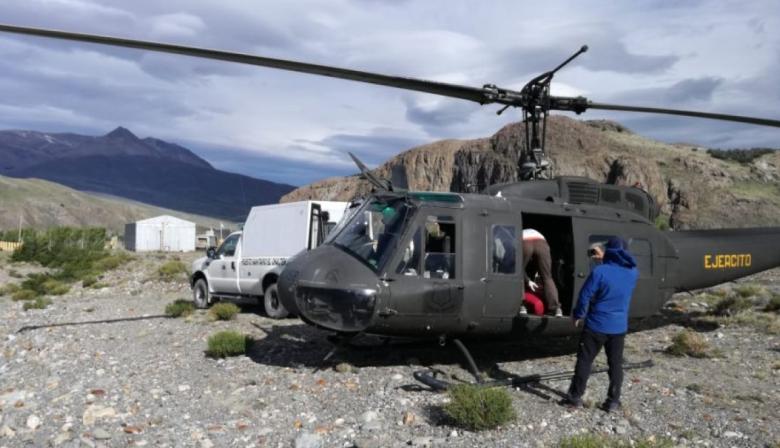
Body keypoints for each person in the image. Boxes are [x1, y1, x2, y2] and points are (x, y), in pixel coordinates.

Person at [561, 237, 638, 412]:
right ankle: (613, 401)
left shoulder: (599, 272)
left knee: (585, 361)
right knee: (615, 364)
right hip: (618, 327)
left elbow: (585, 296)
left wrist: (578, 314)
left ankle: (575, 398)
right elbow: (619, 268)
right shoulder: (633, 272)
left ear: (608, 251)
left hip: (596, 325)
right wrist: (606, 259)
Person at [522, 228, 562, 317]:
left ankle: (522, 306)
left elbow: (519, 270)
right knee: (547, 277)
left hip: (524, 240)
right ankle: (556, 309)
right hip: (541, 242)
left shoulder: (517, 234)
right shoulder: (539, 234)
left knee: (518, 273)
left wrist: (527, 280)